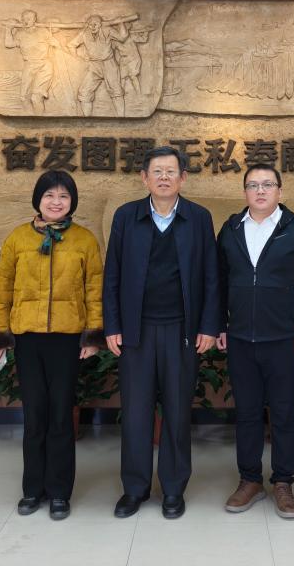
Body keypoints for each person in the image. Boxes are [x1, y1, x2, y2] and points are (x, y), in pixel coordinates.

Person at [103, 146, 220, 520]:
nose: (164, 177)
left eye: (171, 171)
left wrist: (208, 326)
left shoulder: (198, 218)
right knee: (136, 413)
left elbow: (211, 276)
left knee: (177, 411)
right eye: (157, 171)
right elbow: (112, 275)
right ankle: (134, 489)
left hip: (182, 331)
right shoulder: (127, 216)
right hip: (136, 332)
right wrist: (113, 326)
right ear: (144, 178)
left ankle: (173, 488)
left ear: (183, 178)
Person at [0, 170, 103, 521]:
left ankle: (59, 492)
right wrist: (0, 335)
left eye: (64, 196)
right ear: (38, 199)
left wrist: (93, 336)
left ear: (72, 202)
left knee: (61, 416)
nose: (56, 202)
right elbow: (2, 290)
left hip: (67, 340)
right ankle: (32, 489)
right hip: (28, 338)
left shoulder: (84, 240)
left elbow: (94, 291)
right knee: (35, 414)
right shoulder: (18, 239)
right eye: (49, 195)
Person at [216, 164, 294, 519]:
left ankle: (283, 482)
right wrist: (219, 325)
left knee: (284, 413)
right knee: (246, 413)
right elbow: (217, 282)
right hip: (240, 338)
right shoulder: (231, 229)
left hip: (284, 339)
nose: (260, 191)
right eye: (253, 185)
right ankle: (249, 480)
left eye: (267, 184)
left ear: (279, 190)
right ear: (245, 191)